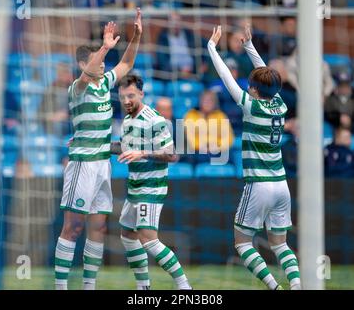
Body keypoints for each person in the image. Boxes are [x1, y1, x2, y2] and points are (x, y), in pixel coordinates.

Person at [54, 8, 142, 290]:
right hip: (82, 164)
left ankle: (89, 286)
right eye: (95, 61)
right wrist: (104, 46)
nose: (102, 65)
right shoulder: (76, 89)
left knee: (100, 227)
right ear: (83, 64)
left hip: (103, 164)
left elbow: (126, 64)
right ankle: (61, 286)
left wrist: (136, 37)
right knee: (73, 226)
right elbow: (90, 71)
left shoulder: (105, 83)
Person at [208, 24, 301, 290]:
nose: (248, 88)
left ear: (256, 90)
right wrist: (249, 47)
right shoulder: (280, 103)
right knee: (280, 244)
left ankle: (276, 288)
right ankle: (296, 287)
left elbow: (227, 78)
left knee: (242, 242)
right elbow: (268, 76)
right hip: (282, 184)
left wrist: (211, 48)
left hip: (259, 184)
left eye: (251, 85)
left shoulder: (251, 106)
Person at [111, 74, 192, 290]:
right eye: (122, 97)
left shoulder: (155, 120)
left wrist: (143, 153)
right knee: (128, 235)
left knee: (148, 239)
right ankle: (143, 287)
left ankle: (184, 286)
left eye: (131, 96)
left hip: (151, 187)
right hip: (134, 187)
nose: (126, 101)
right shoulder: (128, 121)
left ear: (141, 94)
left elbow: (172, 154)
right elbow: (124, 148)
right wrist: (91, 143)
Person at [184, 90, 234, 163]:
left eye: (211, 101)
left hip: (217, 150)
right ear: (200, 101)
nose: (208, 103)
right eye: (205, 100)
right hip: (197, 151)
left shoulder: (221, 116)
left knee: (230, 156)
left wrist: (217, 147)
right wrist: (202, 147)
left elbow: (228, 138)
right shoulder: (191, 115)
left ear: (215, 103)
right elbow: (189, 138)